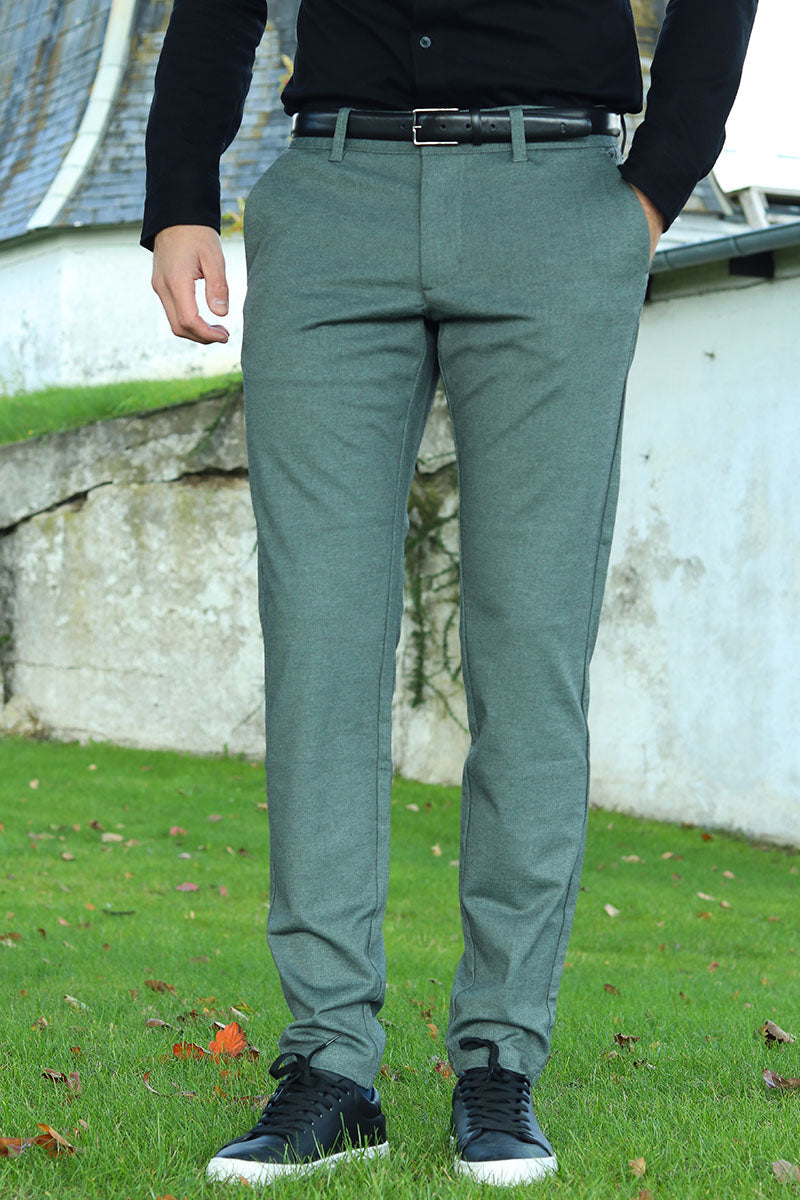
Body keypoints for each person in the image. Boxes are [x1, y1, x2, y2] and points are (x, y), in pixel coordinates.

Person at [141, 0, 757, 1186]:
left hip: (555, 199)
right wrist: (178, 198)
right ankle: (329, 1069)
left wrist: (656, 182)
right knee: (317, 651)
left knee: (529, 652)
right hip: (334, 198)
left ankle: (499, 1057)